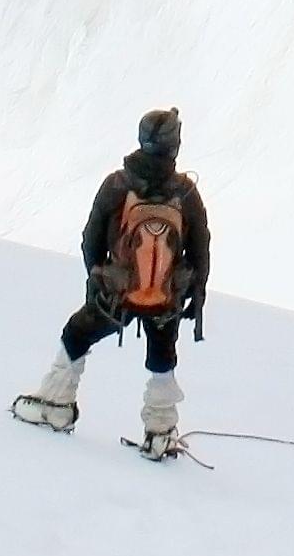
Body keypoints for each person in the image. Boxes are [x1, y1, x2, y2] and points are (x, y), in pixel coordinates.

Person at [13, 106, 212, 458]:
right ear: (174, 146)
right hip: (165, 298)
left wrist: (97, 277)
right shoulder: (186, 193)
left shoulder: (117, 185)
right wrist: (195, 294)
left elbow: (91, 237)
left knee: (76, 333)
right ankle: (160, 432)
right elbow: (200, 247)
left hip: (116, 294)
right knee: (162, 356)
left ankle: (57, 403)